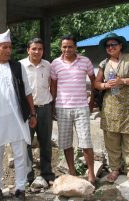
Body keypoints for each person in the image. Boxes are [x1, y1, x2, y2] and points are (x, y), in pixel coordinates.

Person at [0, 29, 37, 201]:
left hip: (17, 118)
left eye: (9, 47)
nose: (8, 50)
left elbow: (27, 92)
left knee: (20, 155)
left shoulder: (17, 67)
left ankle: (20, 189)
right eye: (4, 47)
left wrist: (32, 113)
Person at [94, 33, 129, 183]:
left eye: (114, 44)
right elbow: (96, 83)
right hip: (110, 106)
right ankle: (115, 168)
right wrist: (104, 85)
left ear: (120, 45)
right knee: (111, 137)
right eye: (108, 46)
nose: (110, 47)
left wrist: (122, 80)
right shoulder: (104, 63)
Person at [50, 35, 96, 184]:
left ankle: (91, 173)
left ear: (75, 47)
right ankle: (72, 172)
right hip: (62, 107)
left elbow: (94, 82)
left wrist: (92, 101)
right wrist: (53, 105)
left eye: (70, 46)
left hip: (81, 106)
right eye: (64, 46)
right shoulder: (55, 64)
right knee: (66, 143)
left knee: (86, 142)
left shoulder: (85, 61)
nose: (67, 49)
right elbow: (54, 87)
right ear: (60, 47)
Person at [19, 38, 55, 185]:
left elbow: (52, 85)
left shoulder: (48, 65)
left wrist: (52, 104)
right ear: (28, 50)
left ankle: (47, 173)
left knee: (45, 142)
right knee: (25, 142)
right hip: (26, 110)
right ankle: (28, 175)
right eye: (34, 49)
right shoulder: (20, 66)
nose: (37, 51)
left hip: (45, 108)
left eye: (40, 49)